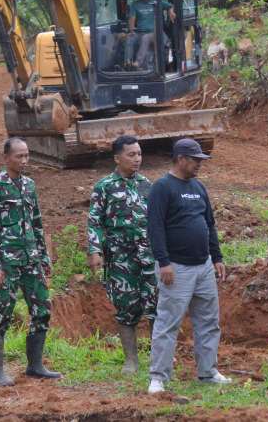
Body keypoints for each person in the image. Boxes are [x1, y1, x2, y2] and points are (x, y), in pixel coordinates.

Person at [146, 138, 229, 395]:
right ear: (181, 159)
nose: (199, 165)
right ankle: (158, 377)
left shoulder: (199, 187)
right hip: (177, 268)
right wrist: (164, 262)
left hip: (203, 266)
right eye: (195, 160)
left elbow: (210, 224)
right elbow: (155, 227)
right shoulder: (162, 187)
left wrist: (216, 258)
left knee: (208, 321)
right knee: (168, 322)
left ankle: (208, 372)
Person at [0, 137, 61, 386]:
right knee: (2, 313)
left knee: (41, 309)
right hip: (7, 262)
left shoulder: (29, 185)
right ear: (6, 158)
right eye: (19, 156)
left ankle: (35, 365)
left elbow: (36, 222)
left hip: (31, 259)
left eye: (27, 156)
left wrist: (44, 257)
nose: (24, 161)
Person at [87, 135, 157, 374]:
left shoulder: (147, 185)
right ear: (117, 158)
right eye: (131, 154)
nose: (137, 159)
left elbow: (158, 221)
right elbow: (94, 221)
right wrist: (95, 250)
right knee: (126, 307)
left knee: (156, 306)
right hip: (120, 258)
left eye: (139, 154)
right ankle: (131, 361)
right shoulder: (104, 187)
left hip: (149, 256)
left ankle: (159, 359)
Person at [128, 0, 175, 69]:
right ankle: (127, 63)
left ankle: (138, 62)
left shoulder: (155, 2)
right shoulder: (135, 4)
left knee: (146, 37)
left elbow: (170, 5)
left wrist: (171, 11)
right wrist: (131, 30)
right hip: (140, 32)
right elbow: (132, 20)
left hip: (155, 33)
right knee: (129, 38)